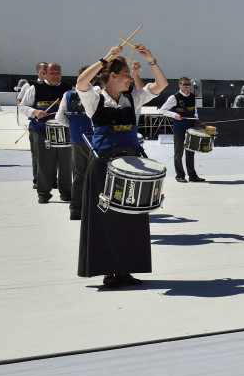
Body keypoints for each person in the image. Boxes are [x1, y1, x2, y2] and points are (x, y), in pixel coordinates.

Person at [75, 43, 167, 287]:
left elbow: (161, 86)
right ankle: (107, 271)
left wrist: (150, 59)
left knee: (131, 219)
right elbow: (81, 82)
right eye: (127, 75)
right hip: (103, 166)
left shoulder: (132, 99)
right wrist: (106, 58)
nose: (131, 79)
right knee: (103, 220)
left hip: (131, 166)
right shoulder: (94, 100)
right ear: (113, 76)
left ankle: (126, 270)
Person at [18, 62, 72, 204]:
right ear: (45, 74)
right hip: (41, 129)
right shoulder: (34, 88)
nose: (55, 76)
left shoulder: (68, 89)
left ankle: (66, 192)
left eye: (57, 73)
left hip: (64, 130)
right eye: (52, 73)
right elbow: (22, 106)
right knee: (44, 162)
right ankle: (43, 193)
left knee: (66, 162)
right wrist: (34, 112)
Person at [55, 71, 98, 220]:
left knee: (79, 175)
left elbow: (59, 117)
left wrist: (74, 127)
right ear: (95, 78)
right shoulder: (99, 92)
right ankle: (95, 208)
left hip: (78, 139)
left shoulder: (68, 95)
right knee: (98, 174)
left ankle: (75, 210)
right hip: (97, 139)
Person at [159, 76, 204, 183]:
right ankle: (179, 175)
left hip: (191, 127)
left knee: (190, 151)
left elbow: (194, 110)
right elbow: (162, 110)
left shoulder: (193, 96)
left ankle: (192, 175)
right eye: (185, 84)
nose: (187, 86)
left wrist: (196, 118)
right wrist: (174, 115)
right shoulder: (174, 97)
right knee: (178, 152)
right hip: (179, 128)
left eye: (188, 84)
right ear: (180, 85)